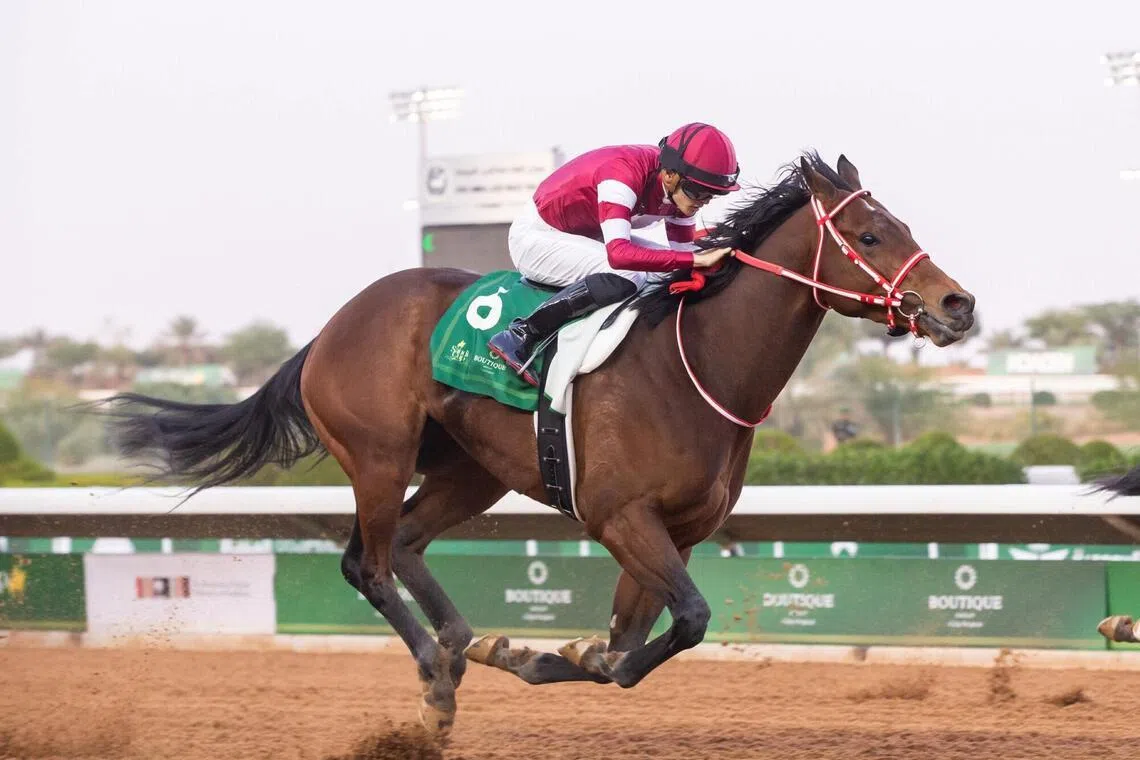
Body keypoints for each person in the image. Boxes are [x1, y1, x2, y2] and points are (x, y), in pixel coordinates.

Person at [486, 122, 742, 386]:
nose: (703, 201)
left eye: (712, 195)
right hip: (537, 237)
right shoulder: (623, 173)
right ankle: (522, 334)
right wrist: (697, 258)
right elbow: (619, 255)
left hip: (585, 237)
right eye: (698, 191)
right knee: (631, 274)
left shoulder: (680, 194)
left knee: (666, 271)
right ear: (669, 175)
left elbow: (682, 256)